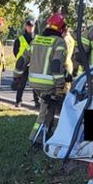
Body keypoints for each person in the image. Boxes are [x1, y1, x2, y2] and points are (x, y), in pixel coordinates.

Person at [19, 13, 70, 147]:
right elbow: (56, 65)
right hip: (50, 83)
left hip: (34, 82)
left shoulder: (36, 39)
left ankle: (47, 132)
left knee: (48, 107)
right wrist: (60, 86)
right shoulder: (59, 42)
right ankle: (36, 139)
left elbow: (22, 60)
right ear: (61, 28)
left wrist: (16, 76)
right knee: (46, 109)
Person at [12, 19, 35, 107]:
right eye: (29, 26)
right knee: (21, 84)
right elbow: (15, 52)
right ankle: (18, 101)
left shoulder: (37, 39)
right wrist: (21, 61)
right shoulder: (20, 39)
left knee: (35, 85)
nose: (30, 28)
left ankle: (36, 101)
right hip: (23, 65)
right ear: (25, 27)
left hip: (34, 64)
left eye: (32, 26)